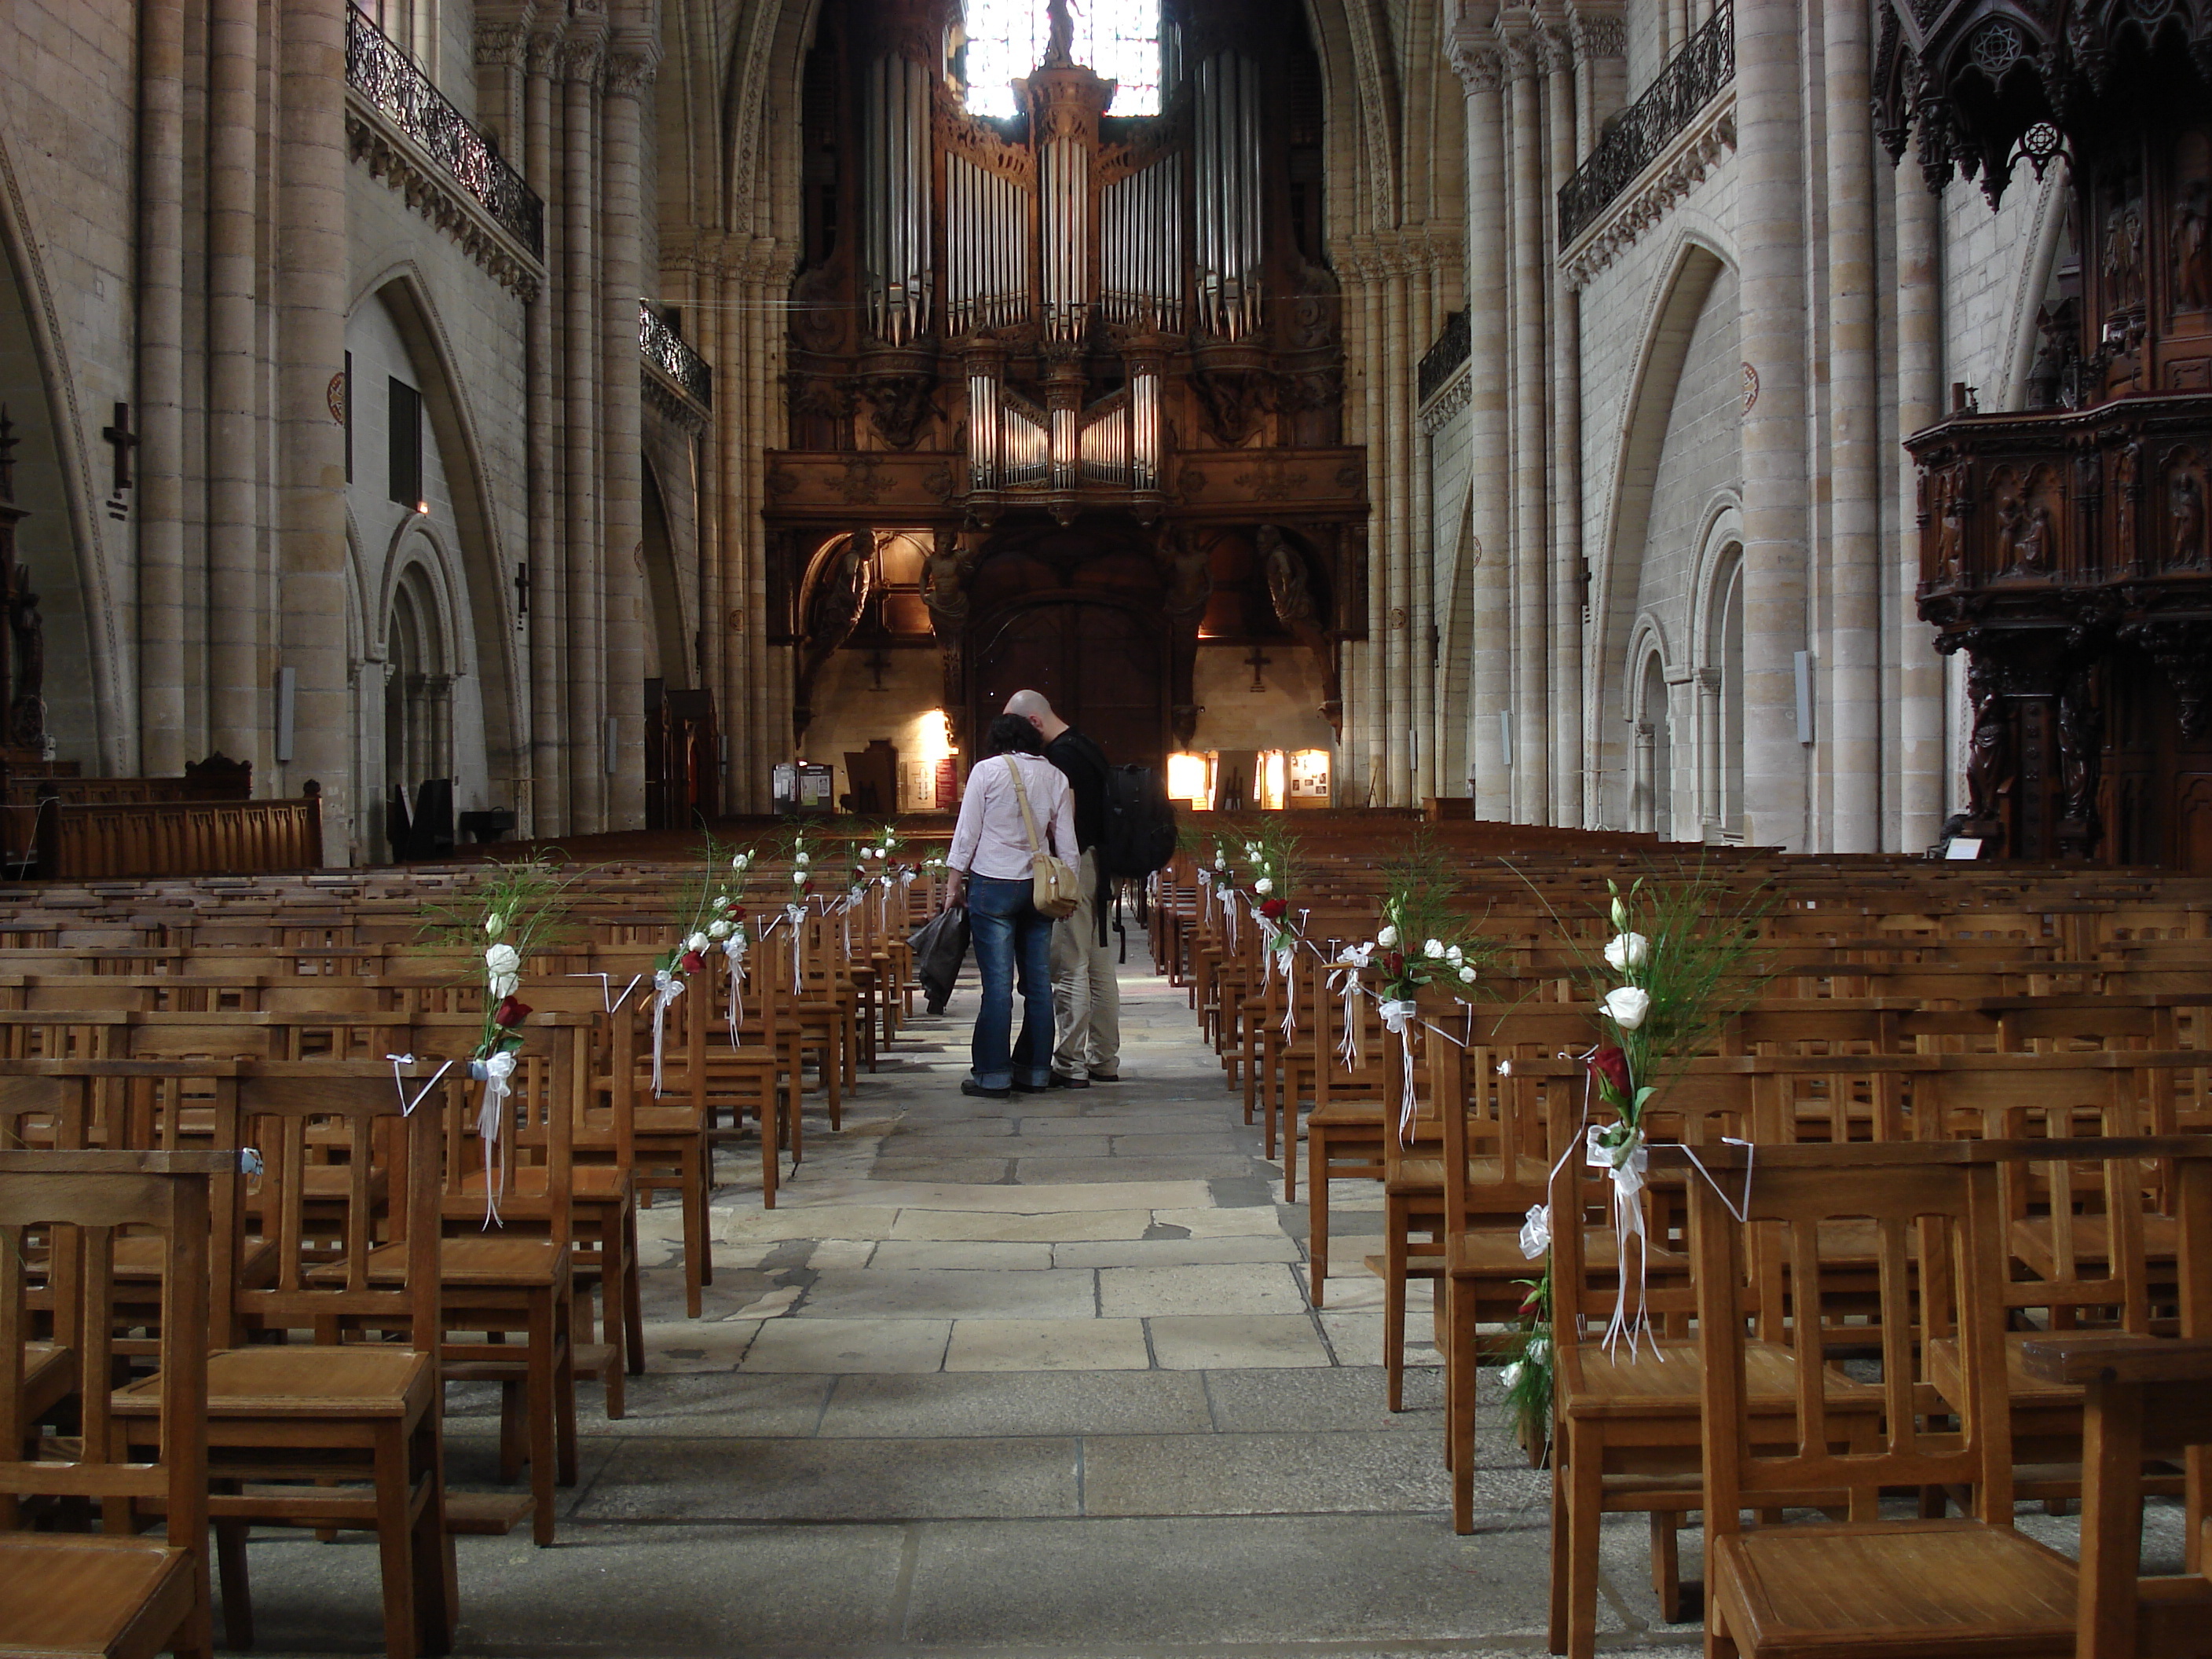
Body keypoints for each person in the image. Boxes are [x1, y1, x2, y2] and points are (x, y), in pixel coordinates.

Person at [945, 712, 1077, 1099]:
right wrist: (1068, 890)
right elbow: (1066, 840)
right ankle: (1036, 1070)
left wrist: (954, 882)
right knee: (1038, 984)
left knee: (998, 986)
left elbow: (968, 831)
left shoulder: (986, 772)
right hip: (1038, 888)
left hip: (993, 883)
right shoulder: (1055, 776)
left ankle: (994, 1074)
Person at [1005, 689, 1121, 1086]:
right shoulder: (1086, 746)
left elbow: (1064, 823)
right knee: (1099, 965)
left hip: (1077, 865)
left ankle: (1069, 1064)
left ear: (1034, 722)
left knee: (1071, 964)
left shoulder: (1062, 758)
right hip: (1100, 862)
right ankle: (1104, 1059)